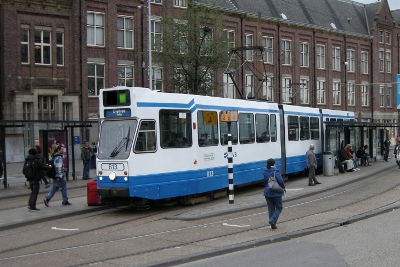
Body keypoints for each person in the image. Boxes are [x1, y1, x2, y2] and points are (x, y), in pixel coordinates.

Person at [263, 158, 285, 229]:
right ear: (274, 164)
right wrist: (283, 187)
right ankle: (272, 220)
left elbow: (265, 182)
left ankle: (273, 224)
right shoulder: (276, 171)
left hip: (267, 192)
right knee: (279, 207)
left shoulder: (265, 171)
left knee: (271, 208)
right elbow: (281, 181)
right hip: (276, 192)